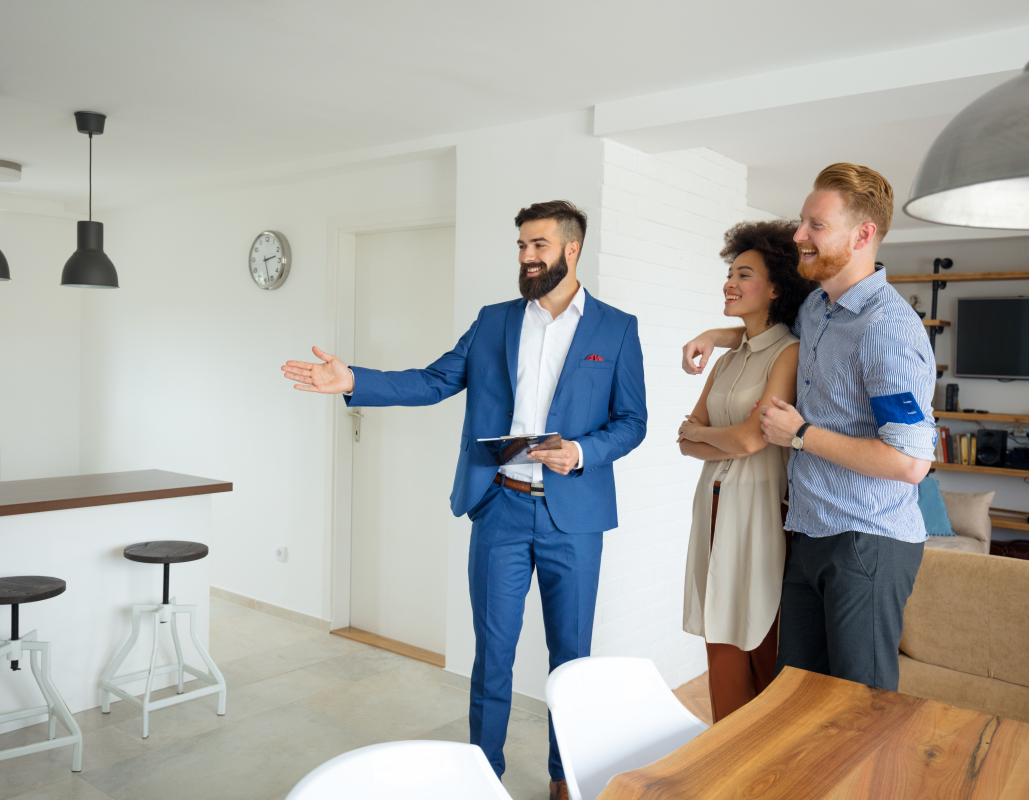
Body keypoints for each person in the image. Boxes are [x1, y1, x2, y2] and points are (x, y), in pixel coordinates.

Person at [281, 201, 646, 800]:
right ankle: (484, 776)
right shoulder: (495, 320)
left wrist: (581, 451)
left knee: (571, 659)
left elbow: (633, 421)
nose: (527, 258)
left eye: (539, 246)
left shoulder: (616, 328)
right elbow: (434, 381)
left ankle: (564, 776)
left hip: (573, 517)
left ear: (571, 250)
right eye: (522, 247)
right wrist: (355, 382)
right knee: (493, 652)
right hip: (500, 507)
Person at [680, 164, 936, 692]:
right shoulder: (820, 309)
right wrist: (716, 334)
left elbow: (910, 463)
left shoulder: (886, 331)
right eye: (802, 222)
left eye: (816, 225)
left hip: (867, 538)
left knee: (858, 708)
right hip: (808, 530)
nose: (799, 235)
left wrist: (800, 435)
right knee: (796, 699)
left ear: (863, 235)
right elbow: (766, 329)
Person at [677, 220, 815, 722]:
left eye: (744, 274)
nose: (729, 284)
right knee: (719, 628)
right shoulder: (726, 358)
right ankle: (725, 753)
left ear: (775, 287)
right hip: (712, 507)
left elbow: (753, 438)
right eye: (729, 273)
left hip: (760, 509)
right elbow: (684, 439)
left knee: (760, 634)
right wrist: (719, 439)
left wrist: (711, 436)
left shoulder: (790, 352)